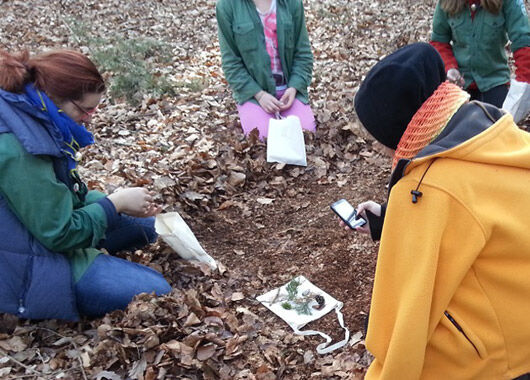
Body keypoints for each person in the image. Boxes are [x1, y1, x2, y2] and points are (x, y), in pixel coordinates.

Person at [350, 43, 530, 379]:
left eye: (376, 139)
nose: (376, 148)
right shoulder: (495, 132)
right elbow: (476, 208)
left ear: (394, 132)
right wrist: (391, 219)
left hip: (504, 363)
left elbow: (406, 320)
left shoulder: (425, 191)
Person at [0, 49, 171, 321]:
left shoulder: (34, 114)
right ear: (56, 98)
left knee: (150, 229)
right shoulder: (19, 147)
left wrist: (112, 203)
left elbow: (59, 196)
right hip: (23, 261)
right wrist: (114, 204)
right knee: (157, 291)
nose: (89, 118)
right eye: (85, 109)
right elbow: (59, 232)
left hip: (37, 231)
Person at [216, 0, 316, 140]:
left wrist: (294, 87)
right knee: (264, 138)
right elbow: (231, 63)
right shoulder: (227, 5)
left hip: (289, 90)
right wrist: (259, 95)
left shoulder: (292, 3)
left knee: (305, 134)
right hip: (254, 94)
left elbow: (303, 53)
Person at [429, 0, 530, 108]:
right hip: (458, 86)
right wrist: (449, 68)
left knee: (496, 122)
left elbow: (523, 42)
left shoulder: (510, 2)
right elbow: (438, 42)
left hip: (494, 81)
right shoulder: (446, 2)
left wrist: (521, 86)